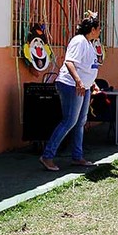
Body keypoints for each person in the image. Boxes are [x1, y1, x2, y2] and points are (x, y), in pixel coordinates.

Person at [39, 12, 102, 171]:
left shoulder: (89, 43)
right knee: (69, 121)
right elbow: (69, 62)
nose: (100, 31)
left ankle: (77, 156)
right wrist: (79, 81)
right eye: (99, 28)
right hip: (71, 86)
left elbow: (86, 67)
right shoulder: (79, 41)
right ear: (92, 29)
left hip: (84, 87)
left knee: (80, 122)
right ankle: (47, 156)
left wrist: (91, 83)